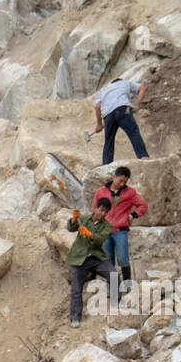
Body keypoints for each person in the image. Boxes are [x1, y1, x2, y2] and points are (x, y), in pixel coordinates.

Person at [93, 166, 148, 292]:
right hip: (104, 231)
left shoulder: (130, 192)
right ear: (114, 177)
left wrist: (133, 215)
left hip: (121, 230)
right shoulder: (100, 192)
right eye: (120, 181)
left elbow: (143, 206)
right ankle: (113, 289)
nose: (122, 184)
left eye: (125, 182)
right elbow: (94, 209)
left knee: (123, 258)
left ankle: (127, 286)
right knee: (108, 260)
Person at [65, 197, 117, 328]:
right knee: (76, 288)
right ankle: (75, 318)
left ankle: (116, 305)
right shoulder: (84, 218)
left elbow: (99, 240)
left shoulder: (107, 225)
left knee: (114, 275)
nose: (103, 214)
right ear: (96, 208)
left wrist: (89, 234)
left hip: (96, 257)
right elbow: (71, 228)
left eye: (106, 212)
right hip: (80, 258)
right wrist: (73, 218)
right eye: (101, 210)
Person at [94, 77, 149, 165]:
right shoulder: (125, 83)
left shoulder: (103, 90)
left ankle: (106, 164)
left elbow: (98, 107)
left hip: (108, 115)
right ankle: (143, 156)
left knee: (109, 141)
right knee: (133, 132)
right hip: (123, 108)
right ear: (120, 81)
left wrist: (99, 124)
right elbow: (142, 88)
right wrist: (137, 104)